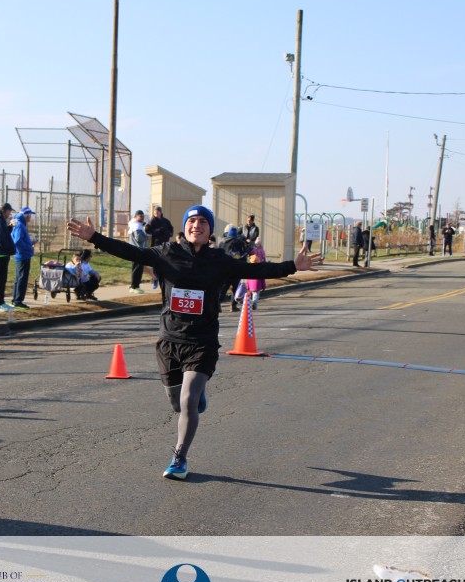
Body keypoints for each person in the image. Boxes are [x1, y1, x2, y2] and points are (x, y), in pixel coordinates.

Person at [67, 205, 324, 481]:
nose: (196, 225)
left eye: (203, 221)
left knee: (188, 401)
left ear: (210, 229)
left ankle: (179, 457)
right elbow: (131, 252)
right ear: (185, 226)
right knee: (178, 404)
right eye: (192, 220)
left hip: (202, 342)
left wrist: (293, 267)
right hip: (169, 340)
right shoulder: (167, 253)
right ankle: (195, 397)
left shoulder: (219, 260)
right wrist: (95, 237)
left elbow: (256, 269)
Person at [10, 207, 36, 310]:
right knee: (22, 278)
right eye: (30, 215)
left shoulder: (19, 224)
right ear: (27, 215)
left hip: (22, 254)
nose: (31, 217)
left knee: (19, 278)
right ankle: (18, 301)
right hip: (22, 255)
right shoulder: (20, 225)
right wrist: (28, 247)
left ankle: (15, 299)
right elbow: (17, 241)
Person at [219, 225, 249, 311]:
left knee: (223, 288)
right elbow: (242, 255)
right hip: (236, 269)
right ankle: (233, 305)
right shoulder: (239, 242)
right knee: (236, 288)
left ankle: (217, 304)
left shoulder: (222, 242)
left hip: (224, 269)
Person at [145, 206, 173, 290]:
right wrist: (158, 230)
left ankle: (165, 279)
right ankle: (155, 279)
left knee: (165, 261)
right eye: (155, 212)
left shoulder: (166, 221)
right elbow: (149, 231)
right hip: (156, 244)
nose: (156, 213)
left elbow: (171, 229)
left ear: (161, 212)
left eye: (157, 212)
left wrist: (169, 233)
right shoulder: (152, 221)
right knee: (155, 262)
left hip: (165, 244)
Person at [244, 237, 267, 310]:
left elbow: (248, 279)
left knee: (252, 294)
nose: (258, 244)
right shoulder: (259, 250)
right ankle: (254, 303)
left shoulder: (250, 270)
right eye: (257, 243)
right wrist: (264, 287)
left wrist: (247, 286)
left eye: (258, 243)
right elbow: (262, 279)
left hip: (251, 285)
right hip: (258, 266)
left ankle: (251, 303)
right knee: (256, 294)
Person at [127, 209, 148, 293]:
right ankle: (135, 286)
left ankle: (133, 285)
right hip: (137, 250)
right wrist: (147, 237)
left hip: (134, 249)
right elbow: (139, 239)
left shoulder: (135, 225)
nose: (142, 218)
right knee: (137, 269)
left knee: (136, 268)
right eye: (140, 216)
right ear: (135, 217)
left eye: (143, 216)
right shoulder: (137, 226)